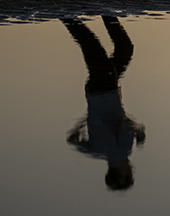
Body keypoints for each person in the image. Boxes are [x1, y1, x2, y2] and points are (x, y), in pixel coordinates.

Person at [61, 16, 145, 191]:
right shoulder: (95, 151)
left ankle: (66, 11)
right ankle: (100, 12)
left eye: (129, 174)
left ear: (121, 173)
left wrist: (138, 133)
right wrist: (87, 120)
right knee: (123, 50)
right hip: (95, 91)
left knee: (91, 44)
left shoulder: (123, 150)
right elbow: (71, 139)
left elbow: (125, 126)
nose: (131, 169)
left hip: (107, 87)